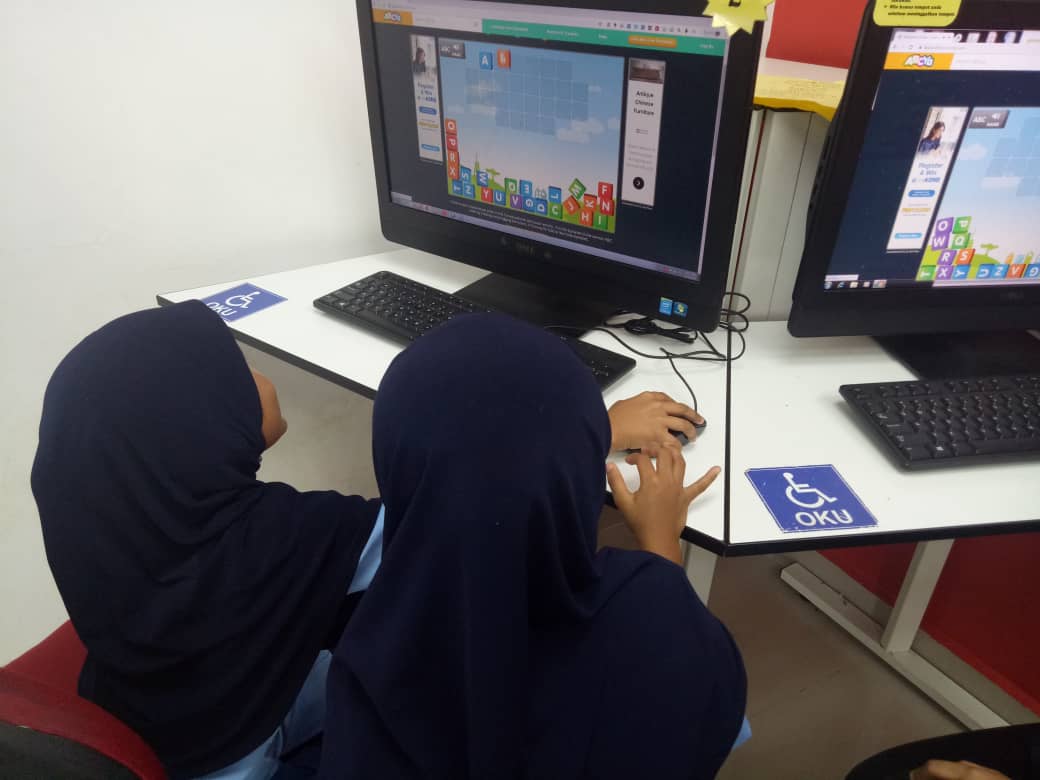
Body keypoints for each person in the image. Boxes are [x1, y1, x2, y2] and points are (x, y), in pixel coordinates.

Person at [319, 313, 747, 780]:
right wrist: (660, 542)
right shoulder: (653, 620)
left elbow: (473, 470)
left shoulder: (364, 667)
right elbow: (695, 676)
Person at [31, 301, 384, 779]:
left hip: (147, 727)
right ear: (196, 417)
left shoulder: (105, 531)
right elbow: (423, 535)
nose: (258, 377)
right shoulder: (284, 538)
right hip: (241, 750)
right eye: (237, 368)